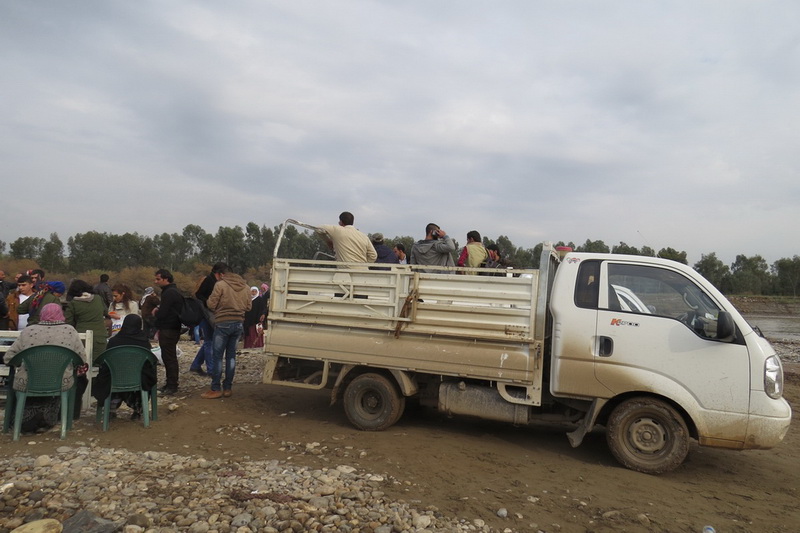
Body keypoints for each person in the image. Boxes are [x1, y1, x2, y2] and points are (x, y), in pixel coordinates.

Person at [3, 303, 88, 431]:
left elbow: (8, 358)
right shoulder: (70, 331)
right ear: (61, 315)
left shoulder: (28, 331)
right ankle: (64, 418)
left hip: (28, 381)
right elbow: (82, 360)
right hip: (60, 382)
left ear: (41, 315)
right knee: (80, 379)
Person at [92, 314, 157, 421]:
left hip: (114, 379)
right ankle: (138, 410)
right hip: (138, 380)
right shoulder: (143, 342)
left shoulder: (114, 341)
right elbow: (149, 363)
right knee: (147, 374)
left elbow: (105, 363)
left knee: (105, 376)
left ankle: (111, 408)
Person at [201, 263, 251, 399]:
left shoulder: (220, 285)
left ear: (221, 274)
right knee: (231, 357)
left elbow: (211, 304)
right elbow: (249, 306)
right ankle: (228, 388)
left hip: (223, 323)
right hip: (238, 323)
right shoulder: (246, 287)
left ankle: (216, 388)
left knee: (217, 357)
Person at [64, 279, 108, 362]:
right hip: (100, 337)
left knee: (81, 365)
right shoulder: (98, 298)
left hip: (81, 338)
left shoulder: (73, 303)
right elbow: (106, 311)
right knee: (98, 365)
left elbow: (68, 322)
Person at [153, 269, 182, 395]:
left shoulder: (169, 293)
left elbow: (164, 313)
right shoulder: (171, 291)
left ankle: (172, 385)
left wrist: (156, 313)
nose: (156, 281)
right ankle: (170, 383)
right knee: (168, 356)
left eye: (158, 279)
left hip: (169, 328)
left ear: (166, 279)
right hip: (171, 328)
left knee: (169, 357)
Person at [189, 265, 219, 376]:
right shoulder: (209, 281)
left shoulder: (208, 281)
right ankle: (211, 370)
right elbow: (199, 295)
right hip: (207, 315)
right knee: (209, 342)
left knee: (208, 342)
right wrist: (208, 303)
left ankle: (196, 365)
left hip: (206, 314)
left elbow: (197, 294)